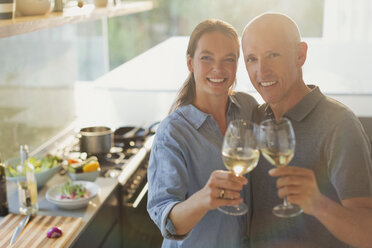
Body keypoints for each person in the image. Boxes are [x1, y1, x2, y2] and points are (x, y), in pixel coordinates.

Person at [241, 12, 372, 248]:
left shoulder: (339, 124)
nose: (262, 71)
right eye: (251, 59)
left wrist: (318, 204)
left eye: (273, 55)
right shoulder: (254, 120)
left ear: (300, 54)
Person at [147, 19, 258, 248]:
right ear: (190, 63)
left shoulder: (248, 108)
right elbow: (168, 223)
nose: (218, 69)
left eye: (229, 59)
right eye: (206, 58)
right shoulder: (172, 132)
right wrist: (204, 198)